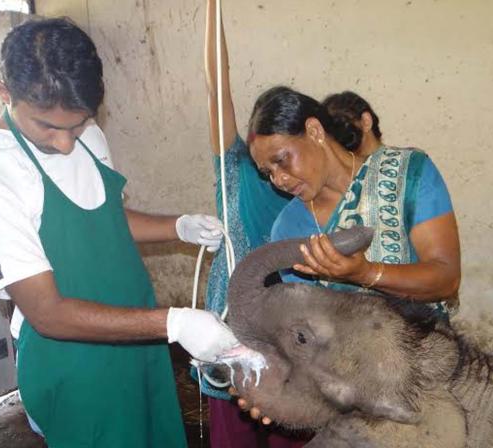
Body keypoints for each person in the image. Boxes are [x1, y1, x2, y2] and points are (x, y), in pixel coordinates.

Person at [0, 18, 242, 448]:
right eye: (47, 127)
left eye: (77, 124)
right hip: (76, 368)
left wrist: (178, 226)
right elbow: (47, 312)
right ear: (3, 92)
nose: (66, 142)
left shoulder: (88, 135)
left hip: (139, 340)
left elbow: (106, 219)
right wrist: (175, 322)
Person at [200, 2, 316, 447]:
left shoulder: (310, 191)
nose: (276, 171)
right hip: (233, 327)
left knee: (294, 428)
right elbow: (217, 87)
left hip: (288, 336)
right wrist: (213, 9)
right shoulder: (235, 169)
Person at [250, 86, 461, 315]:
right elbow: (309, 325)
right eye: (267, 172)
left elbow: (447, 281)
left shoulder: (407, 174)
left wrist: (365, 274)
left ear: (314, 131)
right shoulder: (289, 228)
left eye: (281, 160)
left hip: (425, 346)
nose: (278, 179)